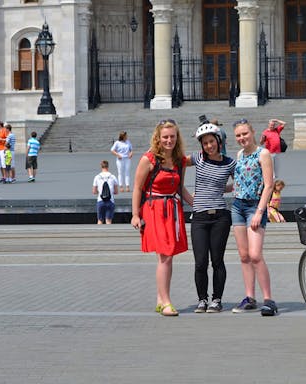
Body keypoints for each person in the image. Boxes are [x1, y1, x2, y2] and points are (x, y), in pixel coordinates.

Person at [131, 119, 192, 317]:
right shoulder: (148, 159)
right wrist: (134, 215)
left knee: (167, 256)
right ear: (158, 138)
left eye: (172, 136)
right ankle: (166, 301)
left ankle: (160, 298)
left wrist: (196, 203)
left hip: (172, 210)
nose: (169, 140)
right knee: (165, 256)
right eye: (165, 137)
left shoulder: (179, 160)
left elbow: (180, 187)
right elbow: (138, 188)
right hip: (154, 209)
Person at [230, 119, 278, 316]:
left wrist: (259, 211)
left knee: (256, 255)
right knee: (244, 256)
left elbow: (269, 185)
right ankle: (250, 297)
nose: (242, 138)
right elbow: (238, 182)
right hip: (238, 206)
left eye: (245, 134)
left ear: (252, 133)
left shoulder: (263, 153)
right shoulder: (240, 154)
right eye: (238, 135)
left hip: (254, 207)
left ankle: (269, 299)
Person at [187, 122, 235, 314]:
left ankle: (216, 299)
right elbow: (175, 160)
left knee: (217, 260)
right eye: (205, 143)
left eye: (211, 141)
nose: (209, 146)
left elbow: (243, 179)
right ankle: (202, 300)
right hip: (199, 217)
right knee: (200, 262)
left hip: (220, 217)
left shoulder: (230, 163)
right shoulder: (198, 159)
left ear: (219, 141)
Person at [92, 160, 118, 224]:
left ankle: (98, 233)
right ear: (108, 166)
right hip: (110, 201)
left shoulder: (97, 177)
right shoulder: (113, 177)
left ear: (101, 166)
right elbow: (116, 192)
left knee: (100, 220)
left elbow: (94, 191)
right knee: (108, 221)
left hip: (100, 200)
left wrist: (99, 191)